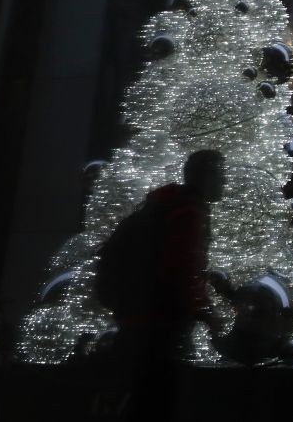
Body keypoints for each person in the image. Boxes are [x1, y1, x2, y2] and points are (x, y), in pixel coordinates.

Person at [107, 149, 226, 422]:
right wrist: (206, 312)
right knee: (157, 401)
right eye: (221, 175)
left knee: (140, 399)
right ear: (206, 177)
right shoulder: (188, 212)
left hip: (137, 316)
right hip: (159, 322)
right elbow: (179, 269)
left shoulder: (165, 205)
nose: (225, 183)